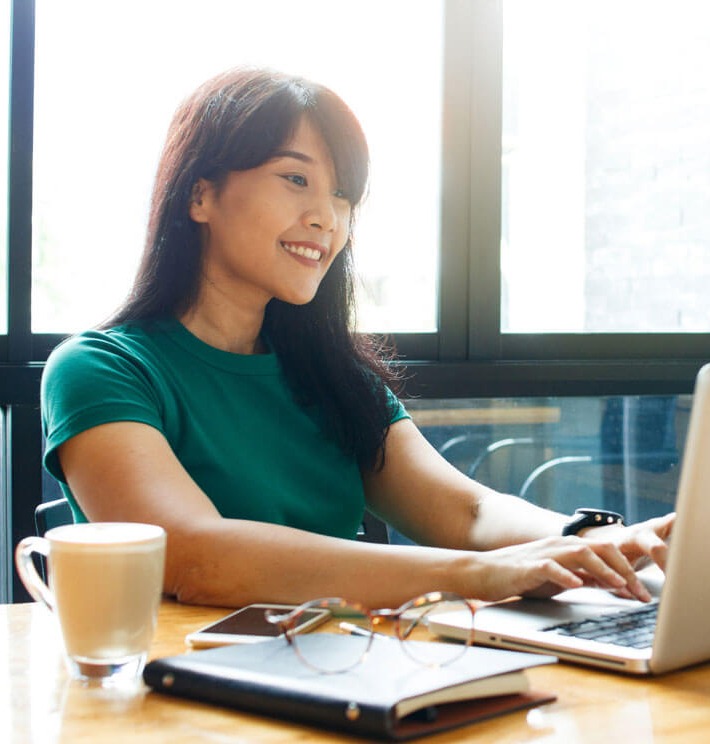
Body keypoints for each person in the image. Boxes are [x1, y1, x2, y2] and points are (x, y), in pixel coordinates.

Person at [41, 67, 673, 609]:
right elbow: (192, 556)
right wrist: (478, 574)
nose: (327, 218)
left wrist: (589, 539)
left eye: (344, 196)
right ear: (200, 194)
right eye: (296, 179)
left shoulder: (333, 376)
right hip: (181, 684)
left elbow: (468, 512)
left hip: (346, 666)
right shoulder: (100, 369)